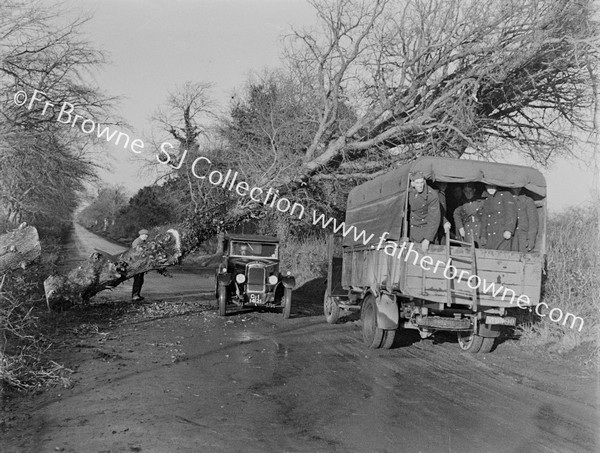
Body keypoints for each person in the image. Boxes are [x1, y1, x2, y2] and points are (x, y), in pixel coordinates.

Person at [408, 172, 441, 252]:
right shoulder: (410, 192)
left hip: (425, 232)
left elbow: (434, 219)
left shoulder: (432, 196)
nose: (420, 185)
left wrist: (427, 239)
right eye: (417, 183)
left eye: (422, 182)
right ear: (412, 184)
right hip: (412, 232)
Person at [480, 185, 517, 251]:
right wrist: (483, 235)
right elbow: (484, 219)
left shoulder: (506, 194)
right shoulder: (487, 199)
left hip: (502, 234)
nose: (491, 188)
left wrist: (508, 230)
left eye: (493, 186)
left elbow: (511, 213)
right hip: (490, 236)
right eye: (488, 186)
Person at [510, 187, 539, 252]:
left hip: (523, 238)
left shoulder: (527, 201)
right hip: (509, 239)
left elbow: (533, 223)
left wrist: (531, 240)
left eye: (518, 187)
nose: (516, 189)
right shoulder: (505, 199)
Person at [131, 229, 149, 301]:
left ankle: (137, 294)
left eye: (147, 235)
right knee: (138, 279)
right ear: (142, 235)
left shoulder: (143, 242)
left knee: (141, 280)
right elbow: (136, 253)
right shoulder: (137, 242)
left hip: (141, 264)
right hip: (137, 263)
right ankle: (134, 295)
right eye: (146, 235)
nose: (147, 236)